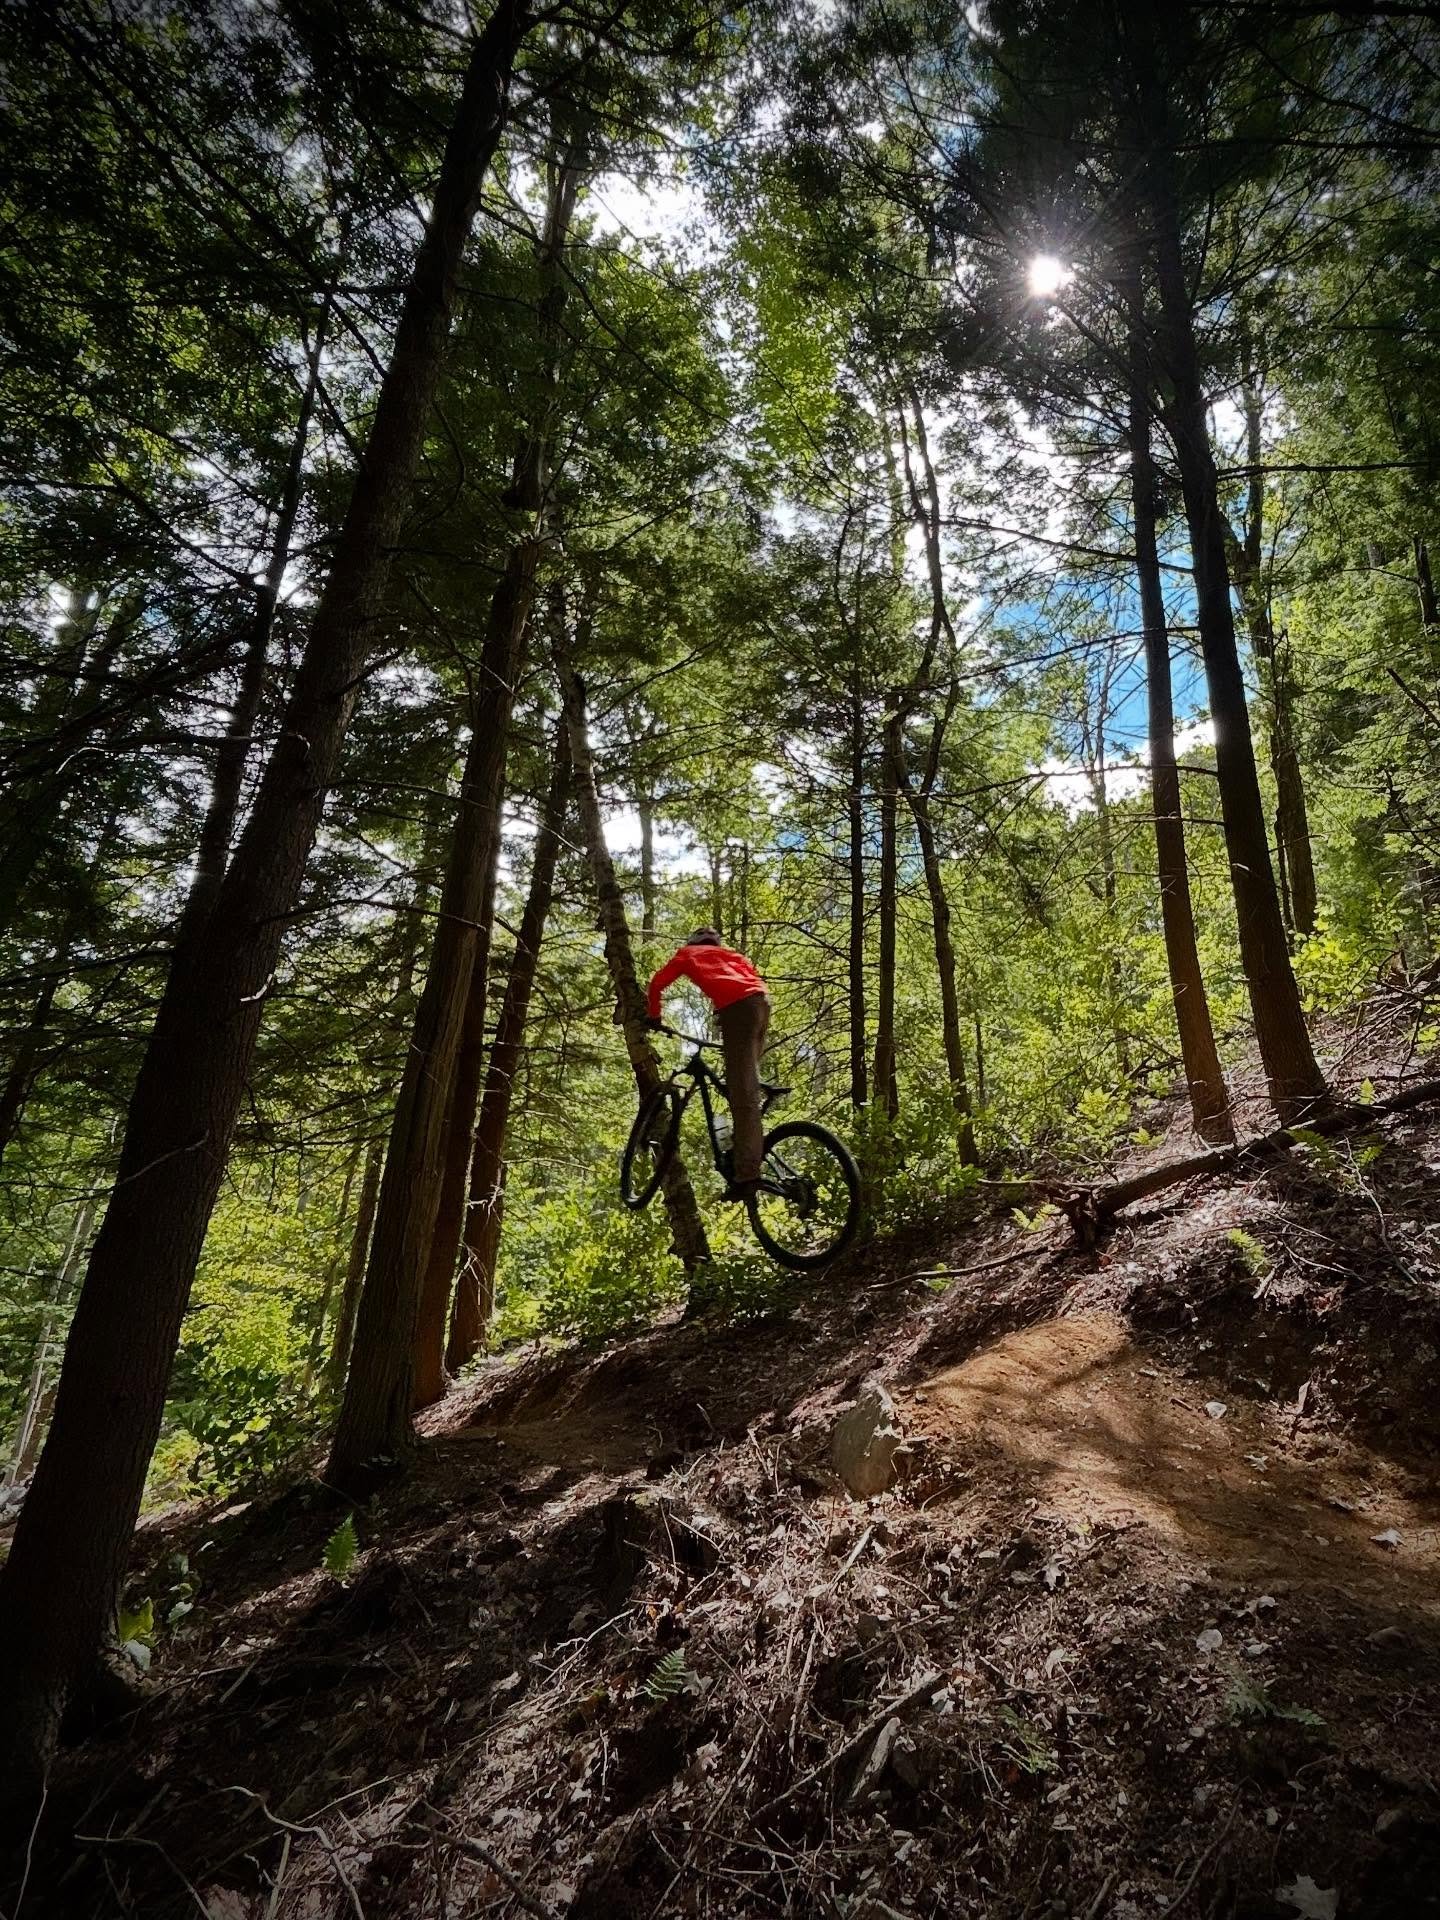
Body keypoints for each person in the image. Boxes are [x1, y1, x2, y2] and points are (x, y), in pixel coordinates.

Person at [647, 928, 771, 1198]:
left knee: (743, 1095)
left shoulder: (687, 953)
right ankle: (744, 1144)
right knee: (743, 1083)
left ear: (693, 943)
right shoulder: (732, 955)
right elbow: (748, 981)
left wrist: (654, 1016)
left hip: (737, 1007)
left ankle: (746, 1176)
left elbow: (657, 983)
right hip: (761, 1003)